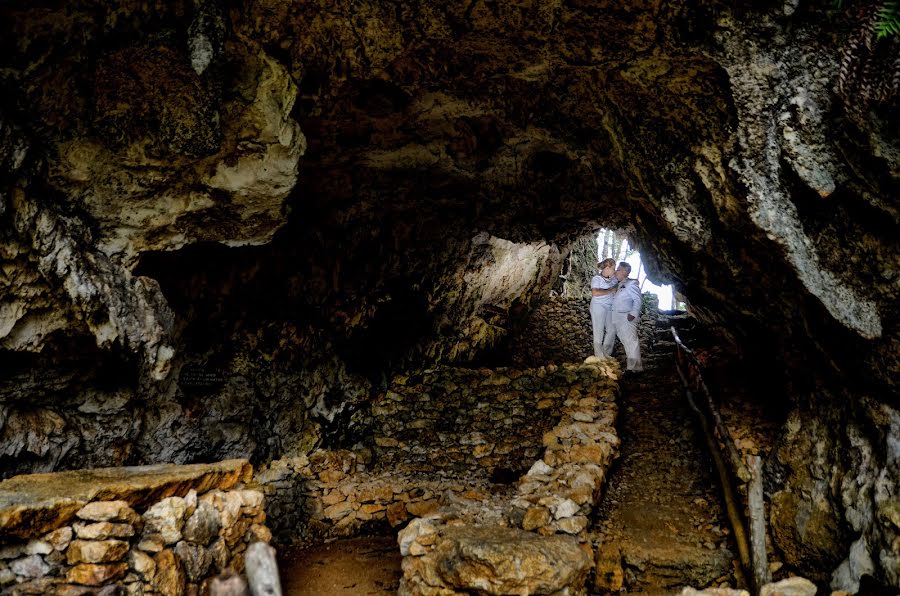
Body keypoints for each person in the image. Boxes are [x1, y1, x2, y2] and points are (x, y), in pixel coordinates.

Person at [602, 261, 643, 373]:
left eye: (618, 269)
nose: (616, 271)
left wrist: (633, 314)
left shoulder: (632, 284)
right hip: (617, 317)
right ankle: (604, 361)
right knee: (625, 341)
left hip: (627, 317)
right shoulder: (620, 285)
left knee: (631, 342)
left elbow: (637, 300)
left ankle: (635, 369)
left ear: (625, 272)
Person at [590, 258, 618, 358]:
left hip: (610, 307)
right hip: (598, 306)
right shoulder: (596, 279)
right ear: (607, 267)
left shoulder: (613, 278)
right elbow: (595, 293)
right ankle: (599, 355)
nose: (614, 271)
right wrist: (610, 291)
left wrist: (633, 281)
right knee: (599, 330)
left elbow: (623, 277)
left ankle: (606, 353)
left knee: (612, 329)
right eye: (613, 268)